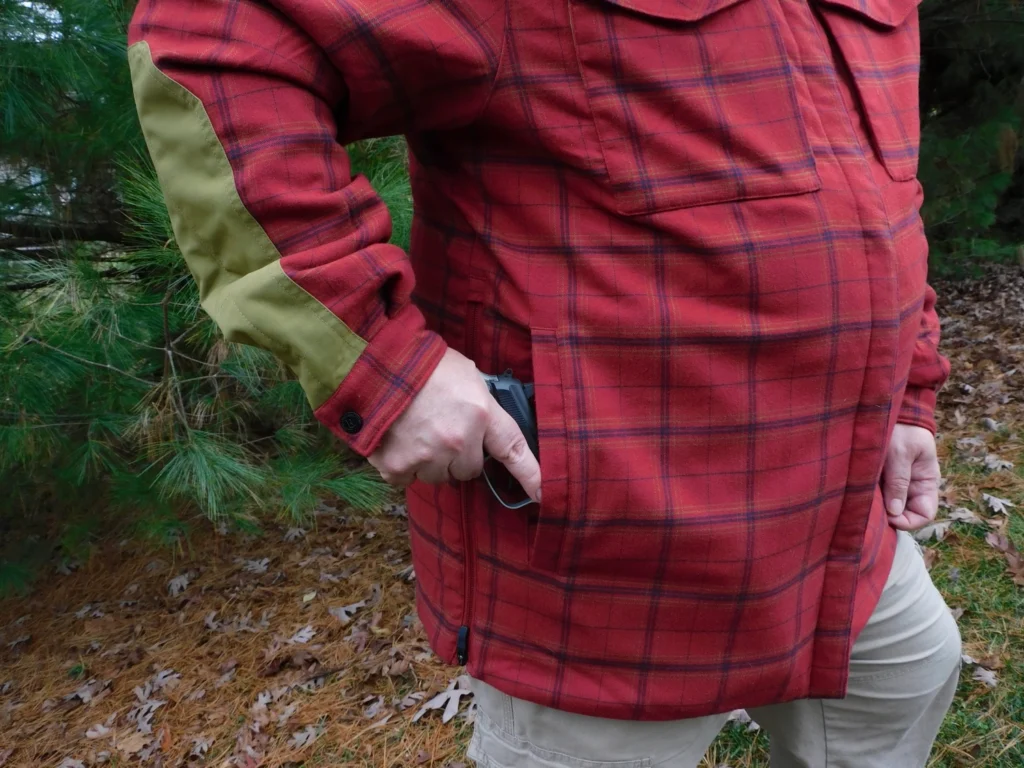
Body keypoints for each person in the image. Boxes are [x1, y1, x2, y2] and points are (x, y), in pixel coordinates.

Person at [127, 0, 961, 765]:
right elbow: (216, 34)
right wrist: (383, 366)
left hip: (843, 527)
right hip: (614, 559)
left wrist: (910, 388)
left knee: (908, 681)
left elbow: (884, 190)